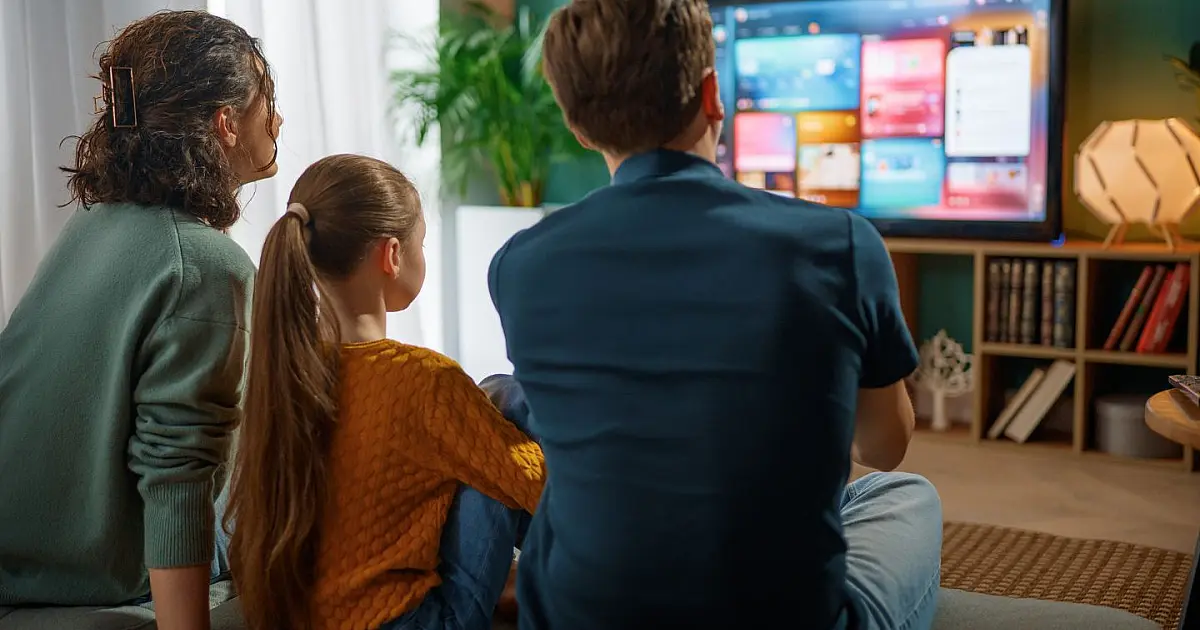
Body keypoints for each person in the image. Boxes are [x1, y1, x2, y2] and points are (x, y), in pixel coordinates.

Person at [488, 1, 943, 628]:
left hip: (578, 613)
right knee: (903, 493)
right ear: (712, 96)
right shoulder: (840, 243)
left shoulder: (520, 264)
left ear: (579, 128)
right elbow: (884, 447)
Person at [0, 10, 281, 629]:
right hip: (91, 579)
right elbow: (177, 475)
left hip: (27, 560)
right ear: (226, 124)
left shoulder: (93, 228)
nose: (278, 119)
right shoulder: (203, 265)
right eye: (267, 98)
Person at [223, 154, 545, 630]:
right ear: (392, 255)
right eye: (421, 243)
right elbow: (539, 486)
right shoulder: (423, 379)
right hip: (416, 622)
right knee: (507, 400)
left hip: (306, 618)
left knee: (480, 417)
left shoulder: (285, 373)